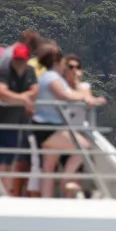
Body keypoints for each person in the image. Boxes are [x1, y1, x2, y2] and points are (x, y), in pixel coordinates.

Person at [31, 45, 100, 198]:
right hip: (48, 126)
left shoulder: (47, 76)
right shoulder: (51, 77)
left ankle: (47, 199)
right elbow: (65, 95)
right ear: (57, 61)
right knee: (83, 146)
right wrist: (86, 97)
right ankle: (66, 180)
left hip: (45, 125)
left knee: (48, 168)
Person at [0, 43, 37, 196]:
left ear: (27, 59)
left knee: (10, 162)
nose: (18, 62)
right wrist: (24, 99)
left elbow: (35, 91)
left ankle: (4, 194)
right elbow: (2, 92)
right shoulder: (4, 70)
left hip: (16, 123)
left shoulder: (30, 71)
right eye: (17, 59)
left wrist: (17, 98)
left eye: (22, 60)